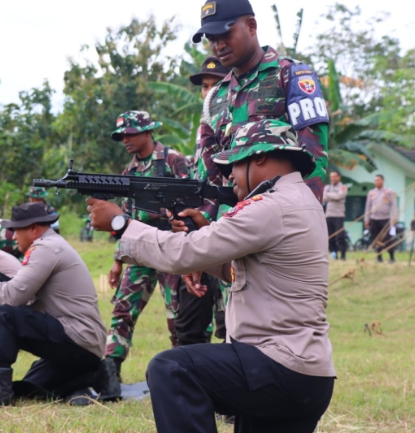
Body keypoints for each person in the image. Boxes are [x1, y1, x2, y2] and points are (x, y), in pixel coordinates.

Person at [87, 119, 336, 433]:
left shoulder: (269, 206)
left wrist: (121, 224)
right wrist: (204, 244)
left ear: (259, 157)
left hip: (277, 368)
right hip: (306, 375)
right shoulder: (301, 203)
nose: (230, 175)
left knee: (171, 368)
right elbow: (248, 271)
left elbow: (184, 252)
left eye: (235, 163)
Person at [0, 203, 119, 405]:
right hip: (84, 344)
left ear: (33, 229)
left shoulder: (44, 248)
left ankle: (0, 393)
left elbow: (13, 297)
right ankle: (93, 376)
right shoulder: (52, 245)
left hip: (77, 338)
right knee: (33, 386)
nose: (13, 236)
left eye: (16, 230)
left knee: (4, 315)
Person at [193, 0, 328, 208]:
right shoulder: (215, 98)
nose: (218, 46)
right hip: (230, 226)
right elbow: (209, 172)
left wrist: (305, 215)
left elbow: (314, 155)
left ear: (251, 26)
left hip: (281, 217)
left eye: (226, 35)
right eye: (212, 39)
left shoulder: (291, 75)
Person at [105, 110, 189, 382]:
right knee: (122, 307)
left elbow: (193, 202)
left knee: (177, 312)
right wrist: (119, 259)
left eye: (131, 134)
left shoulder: (174, 161)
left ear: (148, 132)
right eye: (122, 136)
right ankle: (110, 371)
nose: (126, 140)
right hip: (139, 249)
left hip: (171, 245)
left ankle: (185, 369)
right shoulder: (129, 171)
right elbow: (126, 219)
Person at [180, 55, 232, 344]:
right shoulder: (204, 131)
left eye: (217, 85)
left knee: (231, 322)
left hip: (229, 232)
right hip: (202, 234)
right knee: (192, 320)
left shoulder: (238, 129)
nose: (210, 93)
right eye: (205, 86)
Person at [364, 174, 398, 263]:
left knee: (387, 238)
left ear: (383, 181)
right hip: (373, 218)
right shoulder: (371, 192)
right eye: (375, 180)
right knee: (375, 238)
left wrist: (394, 217)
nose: (376, 182)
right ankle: (379, 257)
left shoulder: (389, 192)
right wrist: (366, 219)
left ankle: (392, 257)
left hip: (385, 218)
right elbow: (368, 207)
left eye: (378, 180)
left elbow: (393, 205)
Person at [323, 171, 348, 260]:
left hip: (339, 215)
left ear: (339, 177)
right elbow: (324, 198)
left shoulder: (343, 187)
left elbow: (339, 196)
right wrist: (333, 196)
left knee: (340, 236)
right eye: (331, 177)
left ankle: (343, 255)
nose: (332, 179)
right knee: (330, 236)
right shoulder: (327, 187)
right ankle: (334, 254)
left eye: (334, 177)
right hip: (328, 215)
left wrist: (329, 195)